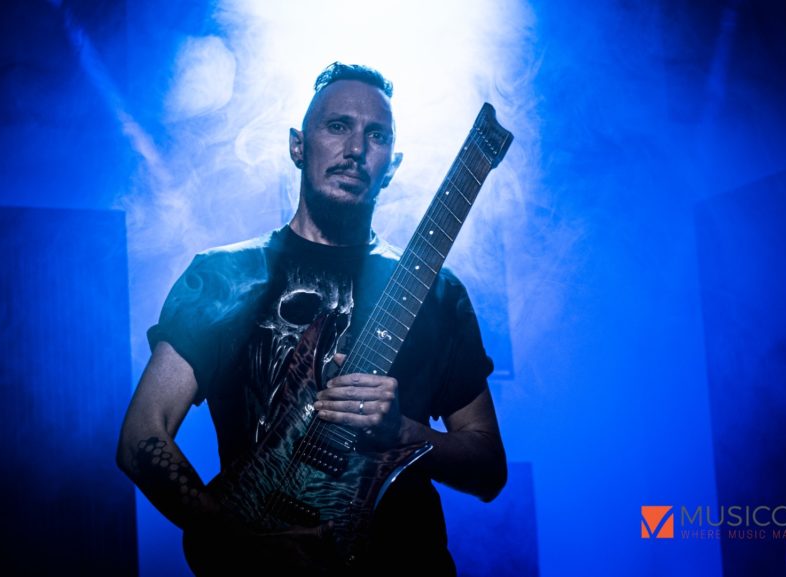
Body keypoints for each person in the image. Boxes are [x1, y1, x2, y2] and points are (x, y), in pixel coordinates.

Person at [117, 62, 507, 576]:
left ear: (392, 164)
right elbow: (142, 434)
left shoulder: (438, 290)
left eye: (376, 135)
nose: (355, 149)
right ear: (298, 146)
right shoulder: (227, 275)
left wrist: (403, 432)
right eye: (337, 126)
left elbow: (488, 468)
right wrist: (242, 543)